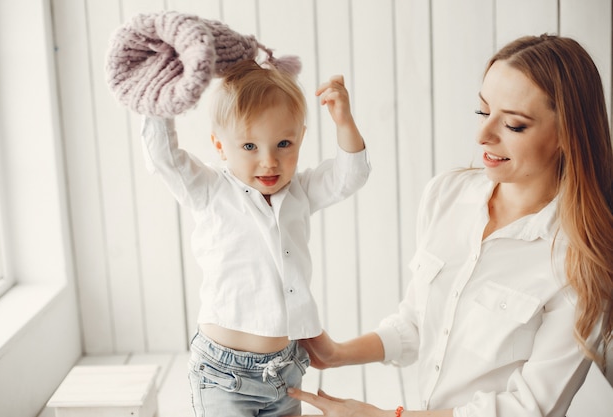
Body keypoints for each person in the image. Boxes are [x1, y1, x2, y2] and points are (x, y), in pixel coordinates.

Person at [286, 34, 613, 417]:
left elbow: (528, 408)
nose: (483, 135)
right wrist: (337, 354)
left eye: (514, 125)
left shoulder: (580, 259)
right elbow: (418, 323)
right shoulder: (448, 195)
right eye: (482, 111)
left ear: (566, 135)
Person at [141, 58, 370, 417]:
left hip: (285, 369)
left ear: (301, 138)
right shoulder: (211, 191)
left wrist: (344, 120)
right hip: (222, 373)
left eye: (283, 144)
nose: (269, 162)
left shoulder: (300, 192)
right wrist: (161, 98)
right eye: (250, 147)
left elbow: (350, 175)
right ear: (219, 146)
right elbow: (164, 158)